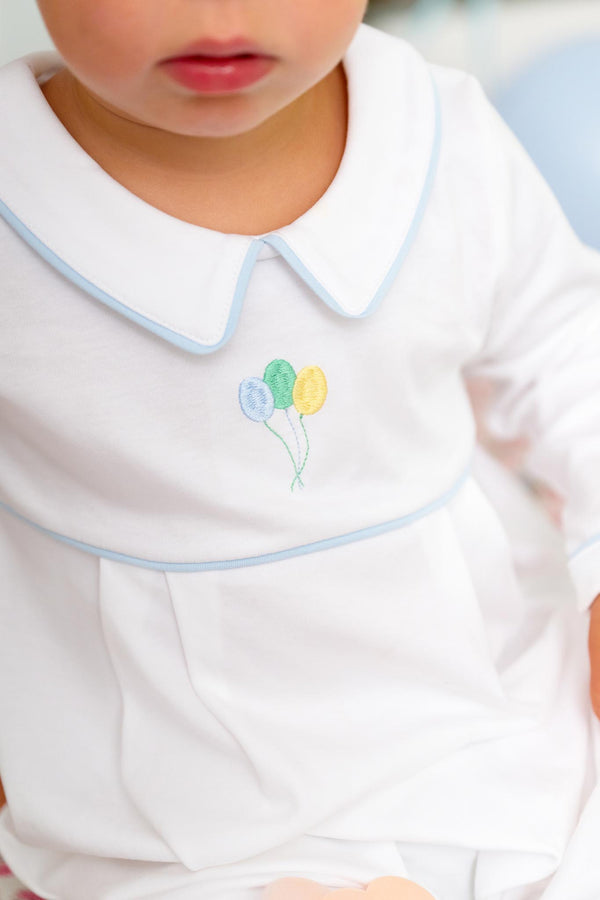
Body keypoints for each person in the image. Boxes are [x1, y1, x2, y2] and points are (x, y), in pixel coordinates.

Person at [1, 1, 600, 898]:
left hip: (483, 689)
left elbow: (565, 347)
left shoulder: (437, 131)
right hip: (166, 798)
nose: (219, 13)